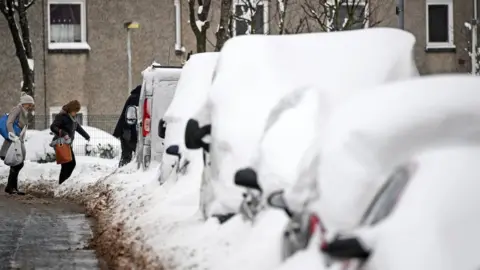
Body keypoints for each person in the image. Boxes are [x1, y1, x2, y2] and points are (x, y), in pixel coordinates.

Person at [0, 93, 35, 195]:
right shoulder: (17, 109)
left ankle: (12, 188)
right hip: (11, 142)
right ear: (24, 103)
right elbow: (9, 123)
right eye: (29, 104)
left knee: (18, 163)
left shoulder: (23, 112)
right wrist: (12, 135)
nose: (30, 106)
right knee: (18, 164)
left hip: (17, 142)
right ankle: (11, 187)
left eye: (31, 105)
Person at [50, 100, 90, 185]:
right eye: (74, 111)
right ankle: (62, 184)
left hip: (67, 144)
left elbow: (78, 127)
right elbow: (53, 127)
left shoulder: (73, 119)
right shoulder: (62, 116)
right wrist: (62, 132)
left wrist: (86, 136)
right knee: (68, 164)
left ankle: (63, 183)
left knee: (68, 165)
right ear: (70, 109)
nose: (75, 113)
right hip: (61, 143)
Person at [113, 85, 141, 167]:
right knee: (127, 155)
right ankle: (123, 170)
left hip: (124, 130)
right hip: (128, 131)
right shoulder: (136, 98)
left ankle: (122, 169)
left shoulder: (132, 97)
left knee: (126, 154)